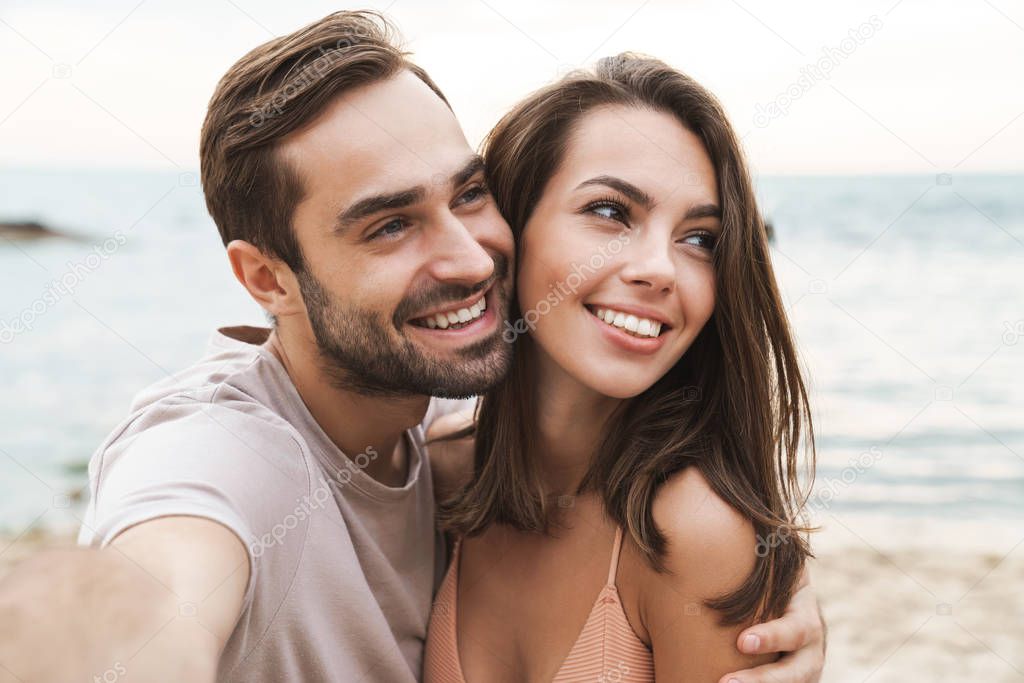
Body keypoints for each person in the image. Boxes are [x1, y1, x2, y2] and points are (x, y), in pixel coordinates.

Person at [0, 12, 824, 683]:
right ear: (267, 278)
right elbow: (155, 580)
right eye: (390, 223)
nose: (468, 257)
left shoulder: (446, 464)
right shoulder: (236, 454)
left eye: (467, 194)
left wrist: (751, 569)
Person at [423, 55, 818, 682]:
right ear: (508, 228)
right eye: (611, 212)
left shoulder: (693, 533)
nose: (659, 269)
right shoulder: (440, 479)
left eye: (701, 239)